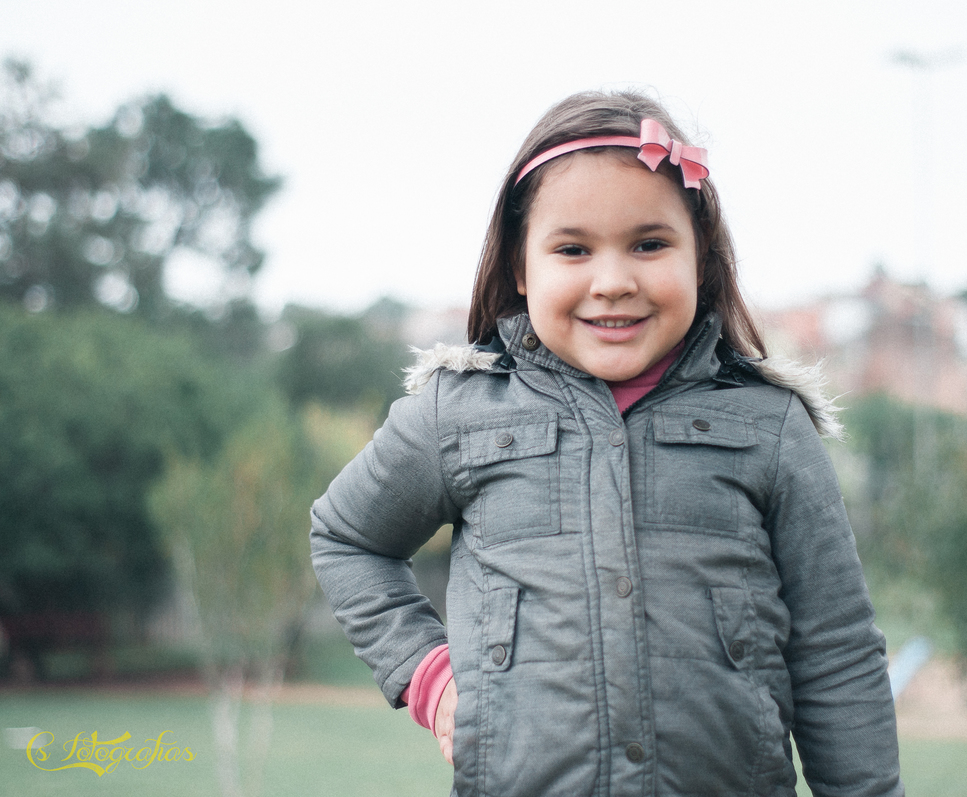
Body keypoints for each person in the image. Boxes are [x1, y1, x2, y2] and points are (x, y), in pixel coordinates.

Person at [310, 89, 904, 797]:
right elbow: (348, 539)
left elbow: (835, 650)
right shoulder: (455, 414)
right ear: (522, 267)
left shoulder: (769, 427)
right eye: (573, 249)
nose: (614, 281)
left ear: (701, 259)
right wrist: (428, 676)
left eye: (649, 244)